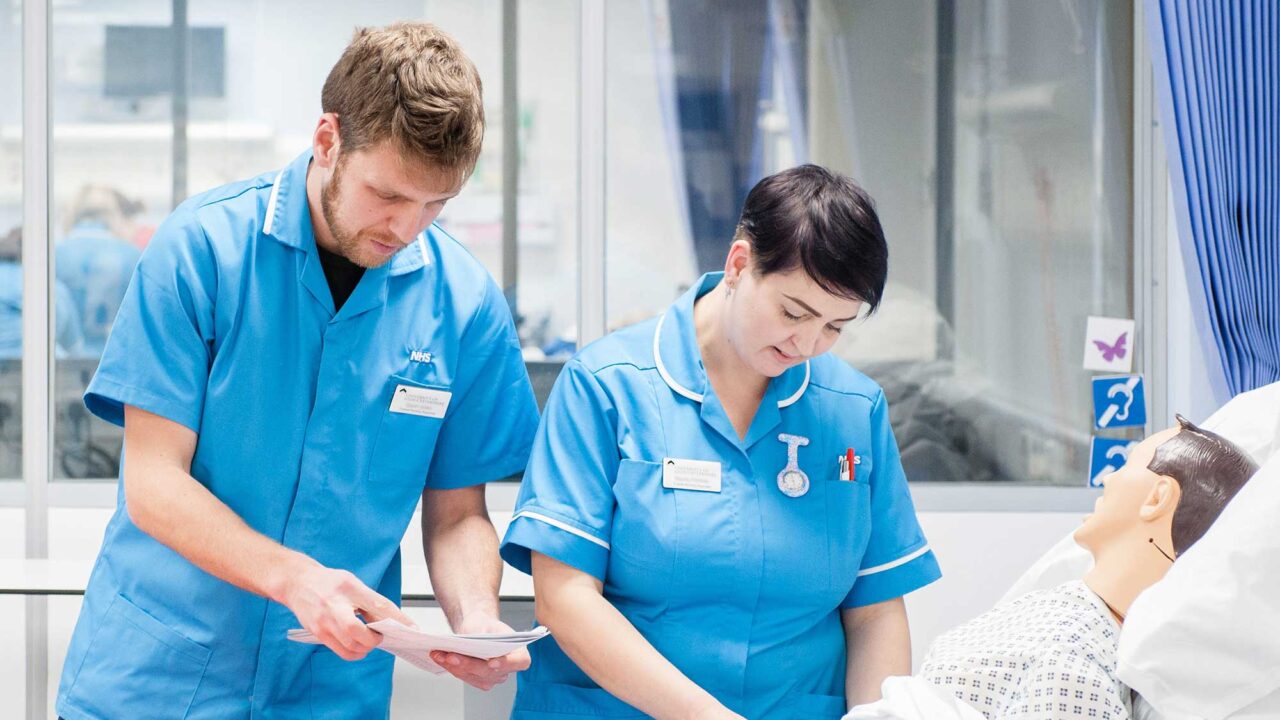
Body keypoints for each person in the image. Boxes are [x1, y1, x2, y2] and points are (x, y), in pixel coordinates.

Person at [55, 22, 540, 720]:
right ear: (327, 140)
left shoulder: (462, 303)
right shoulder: (202, 252)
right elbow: (154, 484)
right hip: (158, 679)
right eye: (388, 195)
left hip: (329, 689)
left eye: (435, 205)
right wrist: (294, 580)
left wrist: (478, 618)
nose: (406, 229)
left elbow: (460, 512)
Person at [500, 165, 942, 719]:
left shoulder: (853, 410)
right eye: (793, 312)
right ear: (738, 264)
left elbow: (873, 610)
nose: (808, 342)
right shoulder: (607, 386)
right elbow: (565, 599)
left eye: (835, 326)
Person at [847, 415, 1259, 720]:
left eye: (1129, 464)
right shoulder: (1073, 623)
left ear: (1156, 499)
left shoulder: (1074, 667)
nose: (1110, 480)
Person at [55, 185, 144, 355]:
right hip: (116, 362)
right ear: (113, 215)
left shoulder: (51, 256)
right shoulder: (134, 256)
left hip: (62, 368)